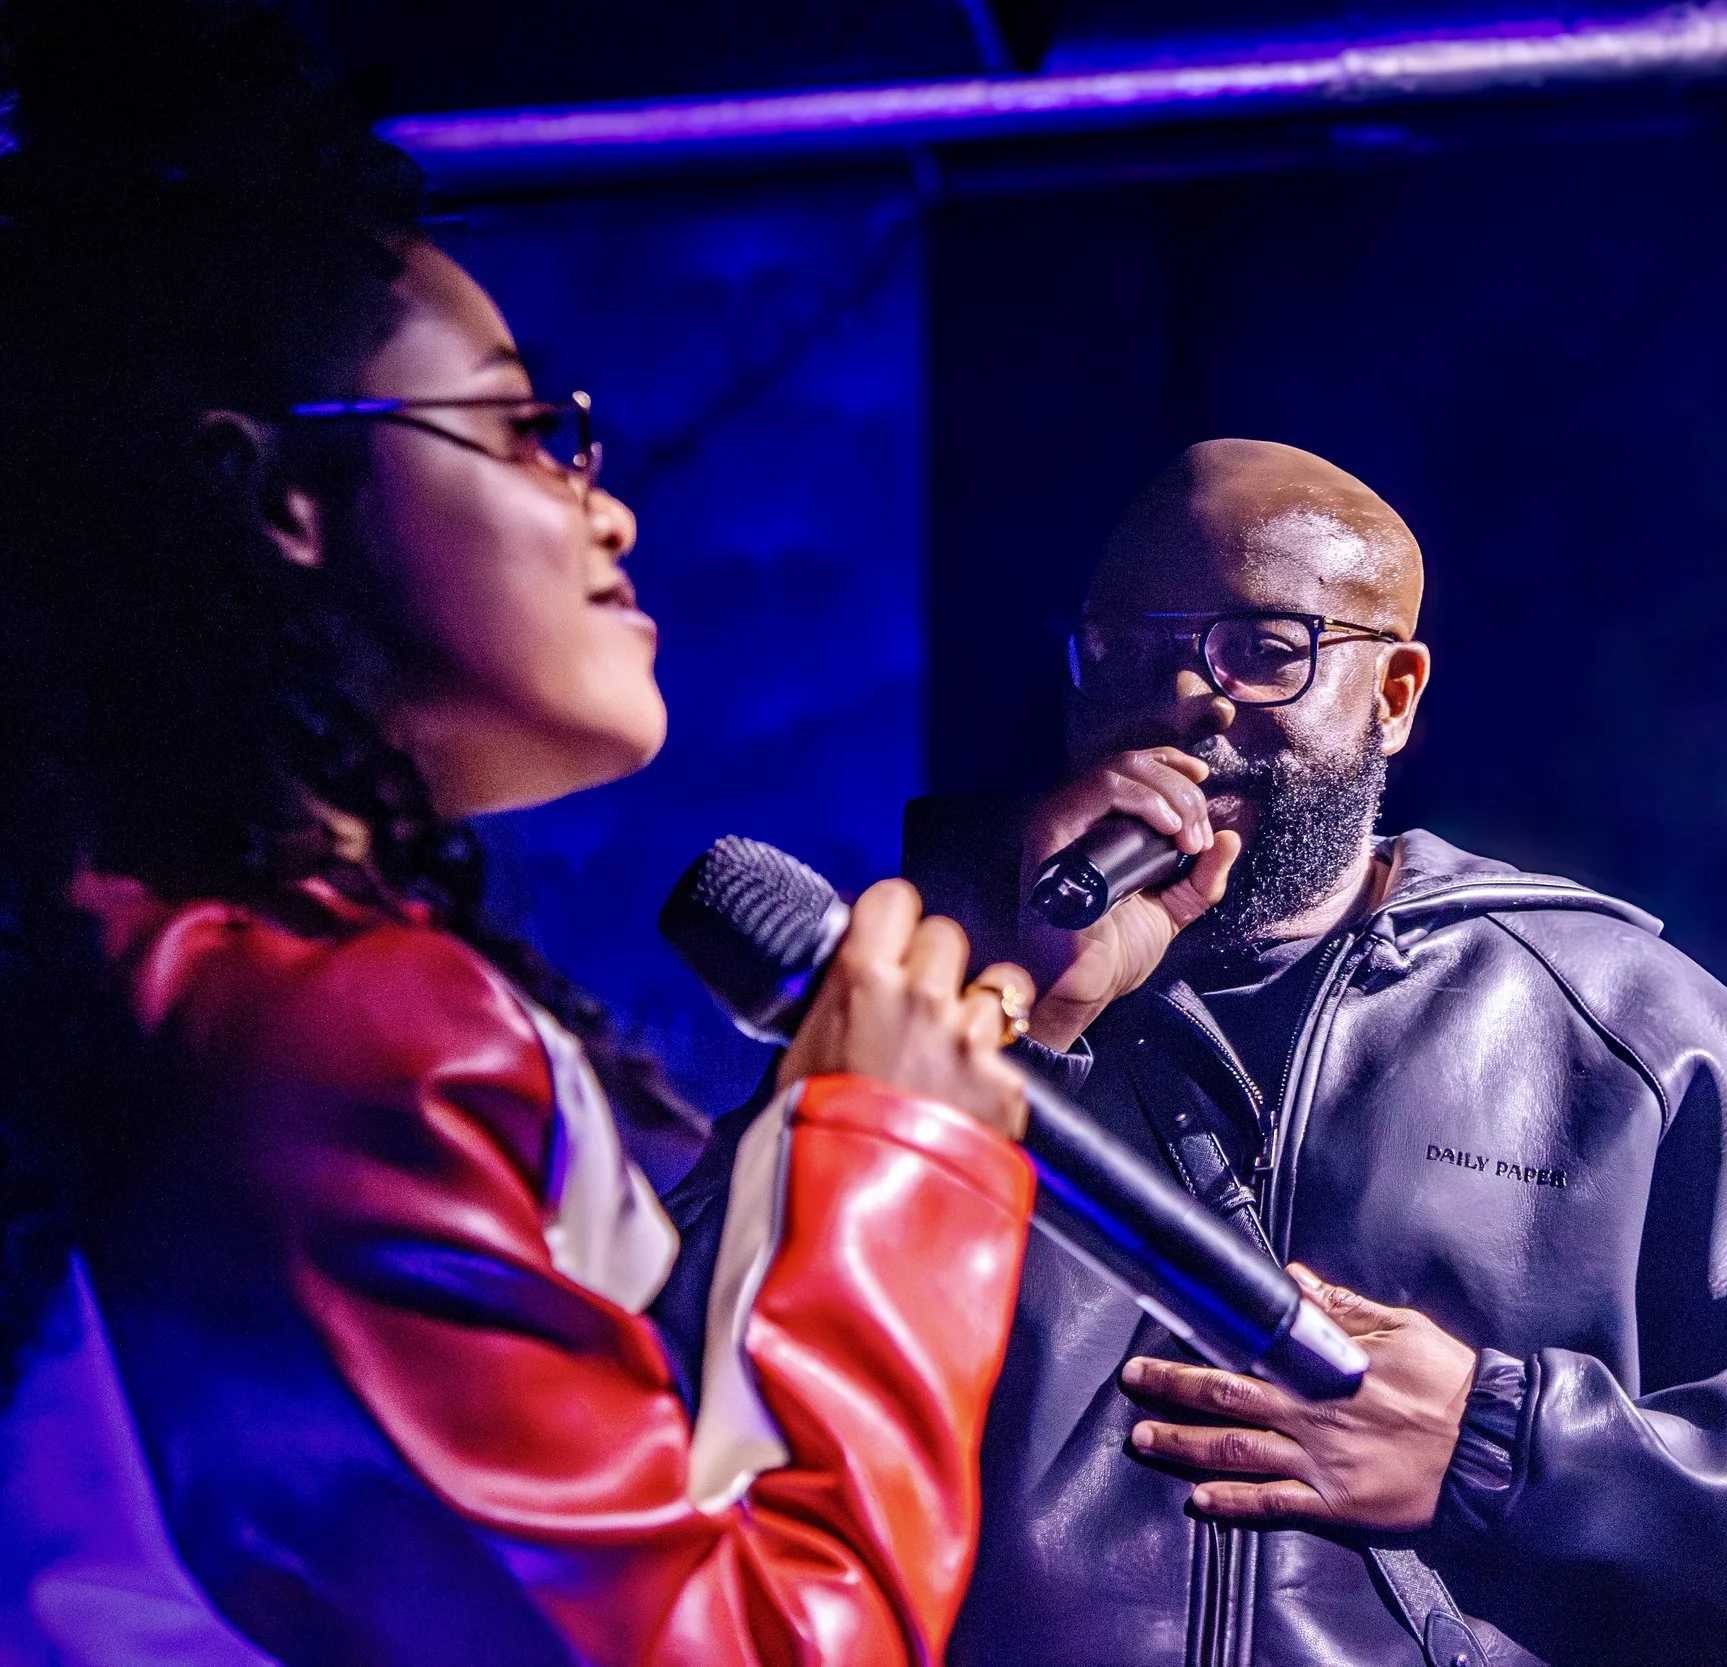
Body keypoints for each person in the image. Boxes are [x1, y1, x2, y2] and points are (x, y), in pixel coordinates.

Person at [0, 5, 1039, 1663]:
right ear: (275, 496)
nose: (603, 501)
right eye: (516, 429)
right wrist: (896, 1162)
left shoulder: (156, 971)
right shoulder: (342, 1038)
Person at [907, 440, 1727, 1665]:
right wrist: (1024, 1010)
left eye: (1263, 648)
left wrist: (1503, 1444)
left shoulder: (1616, 1028)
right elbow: (743, 1354)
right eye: (1123, 646)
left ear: (1393, 694)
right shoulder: (930, 981)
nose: (1181, 695)